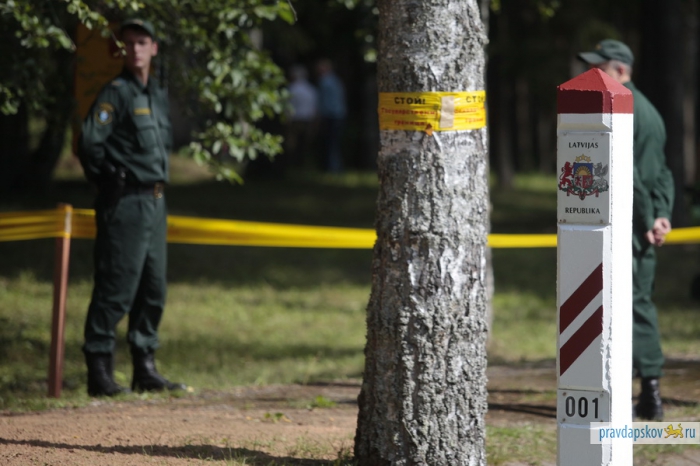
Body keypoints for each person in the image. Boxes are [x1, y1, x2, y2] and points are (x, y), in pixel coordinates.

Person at [78, 18, 186, 396]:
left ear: (154, 48)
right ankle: (99, 370)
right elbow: (89, 142)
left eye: (142, 42)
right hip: (126, 202)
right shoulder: (117, 93)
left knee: (153, 289)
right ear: (121, 50)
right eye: (129, 43)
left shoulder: (156, 93)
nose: (136, 49)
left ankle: (145, 367)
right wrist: (106, 177)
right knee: (116, 286)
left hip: (155, 202)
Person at [578, 39, 674, 421]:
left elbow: (629, 174)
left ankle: (639, 395)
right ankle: (649, 394)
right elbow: (662, 171)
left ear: (619, 70)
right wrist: (662, 214)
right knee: (639, 303)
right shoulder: (651, 111)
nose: (592, 74)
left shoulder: (622, 107)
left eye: (599, 67)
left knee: (626, 305)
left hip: (628, 225)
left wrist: (648, 218)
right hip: (642, 223)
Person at [316, 59, 346, 173]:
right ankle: (335, 166)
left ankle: (331, 167)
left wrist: (319, 115)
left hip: (330, 115)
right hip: (339, 115)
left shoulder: (324, 81)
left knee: (329, 142)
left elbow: (322, 101)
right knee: (335, 142)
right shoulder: (336, 80)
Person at [285, 64, 318, 168]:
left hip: (295, 120)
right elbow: (314, 107)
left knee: (292, 144)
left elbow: (288, 106)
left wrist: (287, 119)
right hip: (308, 120)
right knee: (304, 144)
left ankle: (293, 165)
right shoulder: (311, 89)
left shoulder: (292, 88)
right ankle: (302, 164)